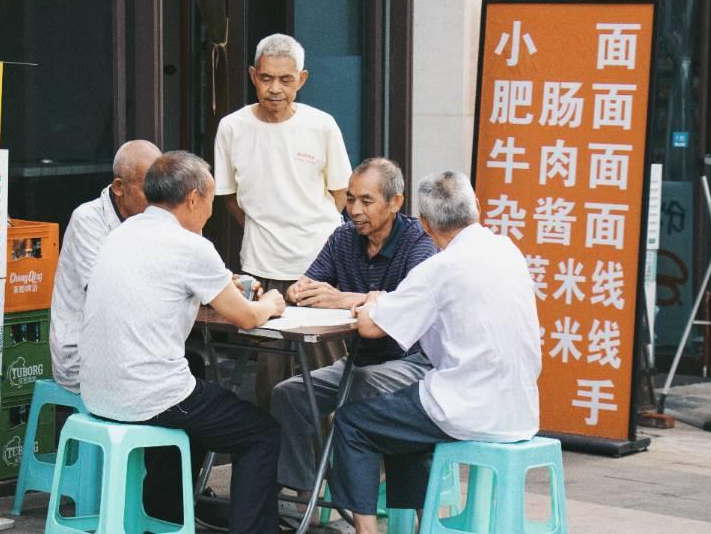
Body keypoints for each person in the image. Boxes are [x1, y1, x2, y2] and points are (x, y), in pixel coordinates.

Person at [81, 151, 287, 534]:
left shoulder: (123, 232)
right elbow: (244, 316)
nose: (211, 211)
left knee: (195, 369)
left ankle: (163, 515)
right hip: (144, 396)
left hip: (97, 391)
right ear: (193, 197)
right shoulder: (191, 246)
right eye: (210, 200)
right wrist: (270, 304)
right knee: (261, 432)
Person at [330, 171, 542, 534]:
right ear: (475, 207)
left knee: (353, 422)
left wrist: (373, 301)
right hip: (521, 408)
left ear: (425, 225)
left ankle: (367, 531)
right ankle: (418, 524)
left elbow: (370, 327)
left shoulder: (439, 269)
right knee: (401, 418)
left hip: (468, 406)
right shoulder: (507, 250)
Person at [271, 158, 437, 517]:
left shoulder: (418, 242)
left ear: (395, 202)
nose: (355, 211)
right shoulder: (343, 237)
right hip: (358, 360)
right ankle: (302, 499)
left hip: (411, 363)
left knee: (358, 388)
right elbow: (311, 284)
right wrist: (298, 291)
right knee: (289, 395)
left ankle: (357, 498)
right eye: (349, 200)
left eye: (366, 201)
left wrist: (343, 298)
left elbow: (406, 305)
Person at [214, 33, 353, 407]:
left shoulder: (321, 125)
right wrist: (266, 230)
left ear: (302, 80)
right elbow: (229, 197)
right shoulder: (232, 127)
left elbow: (339, 194)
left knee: (325, 370)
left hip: (319, 264)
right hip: (261, 266)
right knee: (270, 373)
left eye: (286, 80)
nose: (275, 88)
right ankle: (274, 460)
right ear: (252, 75)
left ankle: (328, 459)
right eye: (266, 78)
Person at [50, 139, 162, 393]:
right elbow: (108, 294)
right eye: (149, 189)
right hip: (84, 356)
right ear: (119, 187)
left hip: (132, 348)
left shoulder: (154, 218)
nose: (158, 199)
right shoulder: (88, 220)